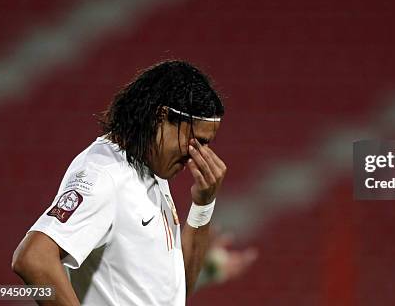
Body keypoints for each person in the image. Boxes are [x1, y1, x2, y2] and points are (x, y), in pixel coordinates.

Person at [12, 60, 233, 305]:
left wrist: (203, 205)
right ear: (160, 118)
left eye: (205, 145)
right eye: (196, 142)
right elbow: (33, 259)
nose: (197, 154)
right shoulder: (103, 174)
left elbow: (179, 294)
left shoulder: (151, 168)